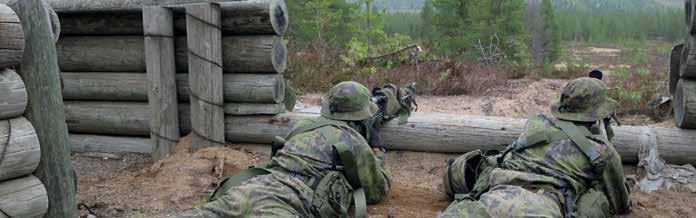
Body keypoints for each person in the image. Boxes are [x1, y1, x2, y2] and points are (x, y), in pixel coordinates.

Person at [179, 81, 415, 217]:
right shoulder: (354, 141)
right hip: (284, 203)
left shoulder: (303, 126)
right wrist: (376, 146)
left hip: (251, 188)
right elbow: (378, 190)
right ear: (361, 118)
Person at [439, 77, 631, 218]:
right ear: (597, 113)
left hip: (496, 196)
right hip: (543, 207)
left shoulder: (536, 123)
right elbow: (621, 204)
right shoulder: (602, 150)